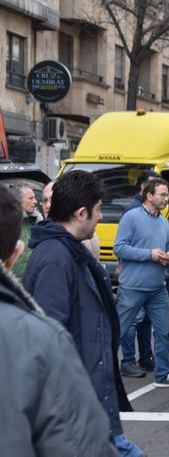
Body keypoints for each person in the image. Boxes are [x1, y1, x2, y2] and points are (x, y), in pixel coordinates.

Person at [23, 170, 144, 456]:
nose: (101, 216)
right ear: (81, 213)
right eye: (99, 210)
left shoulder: (69, 251)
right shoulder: (56, 257)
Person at [0, 184, 119, 457]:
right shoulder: (36, 337)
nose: (101, 217)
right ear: (14, 255)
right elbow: (74, 440)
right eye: (99, 210)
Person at [114, 177, 169, 388]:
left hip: (157, 288)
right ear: (149, 195)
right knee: (119, 330)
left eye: (167, 195)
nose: (167, 199)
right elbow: (120, 247)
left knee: (163, 333)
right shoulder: (131, 217)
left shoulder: (164, 221)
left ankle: (162, 375)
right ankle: (101, 372)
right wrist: (150, 254)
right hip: (133, 287)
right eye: (162, 195)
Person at [119, 169, 160, 378]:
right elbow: (122, 245)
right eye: (152, 186)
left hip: (151, 276)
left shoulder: (156, 213)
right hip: (134, 277)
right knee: (131, 320)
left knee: (146, 321)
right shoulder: (133, 211)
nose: (158, 191)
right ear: (143, 189)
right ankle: (127, 360)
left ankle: (145, 357)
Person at [9, 183, 42, 277]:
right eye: (30, 198)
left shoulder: (37, 222)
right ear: (18, 200)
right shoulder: (6, 224)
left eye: (35, 198)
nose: (35, 201)